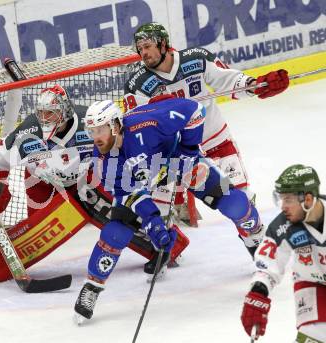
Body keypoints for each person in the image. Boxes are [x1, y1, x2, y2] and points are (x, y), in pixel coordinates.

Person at [74, 96, 263, 323]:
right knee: (116, 231)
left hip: (181, 163)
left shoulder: (147, 122)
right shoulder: (105, 160)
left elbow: (195, 110)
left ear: (115, 124)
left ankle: (257, 242)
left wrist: (189, 149)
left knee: (235, 202)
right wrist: (152, 220)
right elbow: (128, 193)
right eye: (91, 131)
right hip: (146, 180)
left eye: (100, 130)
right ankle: (92, 287)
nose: (96, 138)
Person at [0, 84, 185, 282]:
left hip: (84, 182)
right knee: (36, 231)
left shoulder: (90, 126)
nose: (44, 118)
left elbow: (121, 146)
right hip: (41, 184)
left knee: (120, 207)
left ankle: (166, 246)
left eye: (51, 112)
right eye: (41, 112)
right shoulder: (27, 133)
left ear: (65, 111)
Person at [124, 22, 289, 253]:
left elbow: (228, 80)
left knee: (241, 199)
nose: (144, 53)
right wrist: (155, 113)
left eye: (148, 46)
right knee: (159, 208)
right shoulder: (137, 83)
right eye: (140, 49)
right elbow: (134, 123)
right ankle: (168, 250)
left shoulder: (196, 59)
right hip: (177, 153)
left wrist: (255, 85)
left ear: (163, 44)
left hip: (215, 140)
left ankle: (256, 246)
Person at [241, 164, 326, 342]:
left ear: (308, 199)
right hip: (312, 282)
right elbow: (267, 265)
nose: (283, 207)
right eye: (281, 199)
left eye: (288, 200)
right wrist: (258, 293)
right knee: (314, 335)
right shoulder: (281, 227)